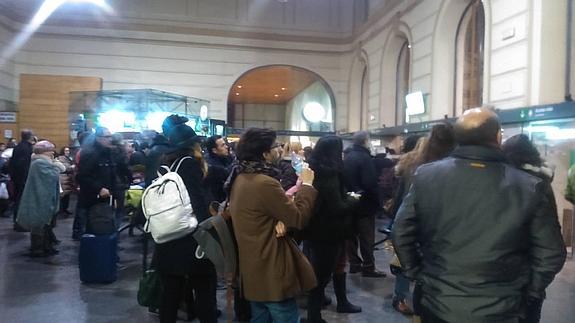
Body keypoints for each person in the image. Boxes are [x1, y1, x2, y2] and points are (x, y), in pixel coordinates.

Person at [392, 108, 566, 322]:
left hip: (437, 301)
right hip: (504, 306)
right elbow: (551, 252)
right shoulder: (529, 186)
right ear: (498, 136)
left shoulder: (426, 176)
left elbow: (400, 231)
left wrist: (417, 274)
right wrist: (530, 291)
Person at [228, 128, 318, 323]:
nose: (279, 150)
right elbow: (298, 218)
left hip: (253, 264)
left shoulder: (242, 177)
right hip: (270, 264)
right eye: (276, 146)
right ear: (264, 154)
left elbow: (262, 212)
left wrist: (280, 218)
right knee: (284, 316)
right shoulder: (264, 183)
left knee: (261, 317)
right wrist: (308, 186)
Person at [152, 120, 217, 323]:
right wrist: (210, 231)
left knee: (170, 293)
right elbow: (197, 201)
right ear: (193, 144)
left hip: (166, 234)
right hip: (190, 238)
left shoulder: (164, 162)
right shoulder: (189, 164)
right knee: (205, 289)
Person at [391, 124, 456, 316]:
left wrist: (413, 270)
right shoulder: (451, 168)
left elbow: (401, 198)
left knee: (406, 261)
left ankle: (401, 297)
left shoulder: (412, 163)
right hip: (437, 229)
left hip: (411, 219)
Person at [304, 135, 362, 323]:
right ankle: (314, 316)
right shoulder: (329, 174)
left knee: (327, 269)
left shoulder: (312, 170)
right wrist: (353, 200)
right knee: (321, 276)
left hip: (315, 229)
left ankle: (334, 303)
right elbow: (336, 206)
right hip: (328, 231)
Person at [343, 131, 386, 277]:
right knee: (367, 237)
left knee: (351, 236)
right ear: (366, 141)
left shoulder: (348, 157)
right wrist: (378, 201)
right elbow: (370, 182)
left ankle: (354, 264)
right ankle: (369, 266)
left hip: (349, 202)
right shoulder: (365, 158)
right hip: (365, 204)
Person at [76, 127, 131, 236]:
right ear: (99, 138)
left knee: (106, 228)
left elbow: (112, 175)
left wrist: (114, 194)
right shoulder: (90, 153)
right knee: (94, 229)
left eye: (110, 136)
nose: (110, 139)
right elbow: (82, 176)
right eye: (107, 137)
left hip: (107, 198)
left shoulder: (109, 153)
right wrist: (99, 188)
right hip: (92, 199)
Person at [16, 141, 64, 257]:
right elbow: (52, 175)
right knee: (40, 223)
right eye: (50, 150)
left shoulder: (41, 162)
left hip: (44, 195)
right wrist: (56, 165)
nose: (53, 152)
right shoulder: (39, 163)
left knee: (46, 223)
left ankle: (46, 246)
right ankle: (38, 249)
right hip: (40, 197)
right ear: (43, 152)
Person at [9, 129, 35, 232]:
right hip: (23, 179)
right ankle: (19, 224)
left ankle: (18, 222)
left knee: (18, 200)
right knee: (21, 202)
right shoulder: (26, 148)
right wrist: (25, 179)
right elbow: (24, 166)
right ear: (30, 136)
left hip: (17, 178)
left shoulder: (18, 146)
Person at [204, 135, 232, 203]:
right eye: (222, 145)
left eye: (225, 144)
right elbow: (227, 174)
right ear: (214, 150)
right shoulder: (211, 165)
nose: (226, 147)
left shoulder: (227, 158)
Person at [57, 146, 75, 216]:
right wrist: (72, 167)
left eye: (68, 151)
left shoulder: (68, 158)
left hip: (67, 178)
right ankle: (62, 210)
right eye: (66, 151)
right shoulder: (62, 158)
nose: (68, 152)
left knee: (66, 195)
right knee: (63, 196)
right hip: (63, 178)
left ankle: (64, 209)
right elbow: (64, 168)